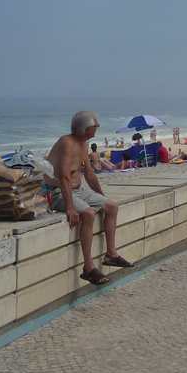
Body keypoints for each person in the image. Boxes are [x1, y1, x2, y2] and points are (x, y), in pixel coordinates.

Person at [47, 111, 132, 286]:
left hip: (79, 189)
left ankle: (111, 254)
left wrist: (101, 195)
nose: (96, 129)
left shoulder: (83, 144)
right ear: (84, 128)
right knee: (88, 214)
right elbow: (63, 177)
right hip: (59, 192)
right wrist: (70, 207)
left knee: (112, 206)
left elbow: (89, 173)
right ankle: (88, 268)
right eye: (94, 127)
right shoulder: (66, 143)